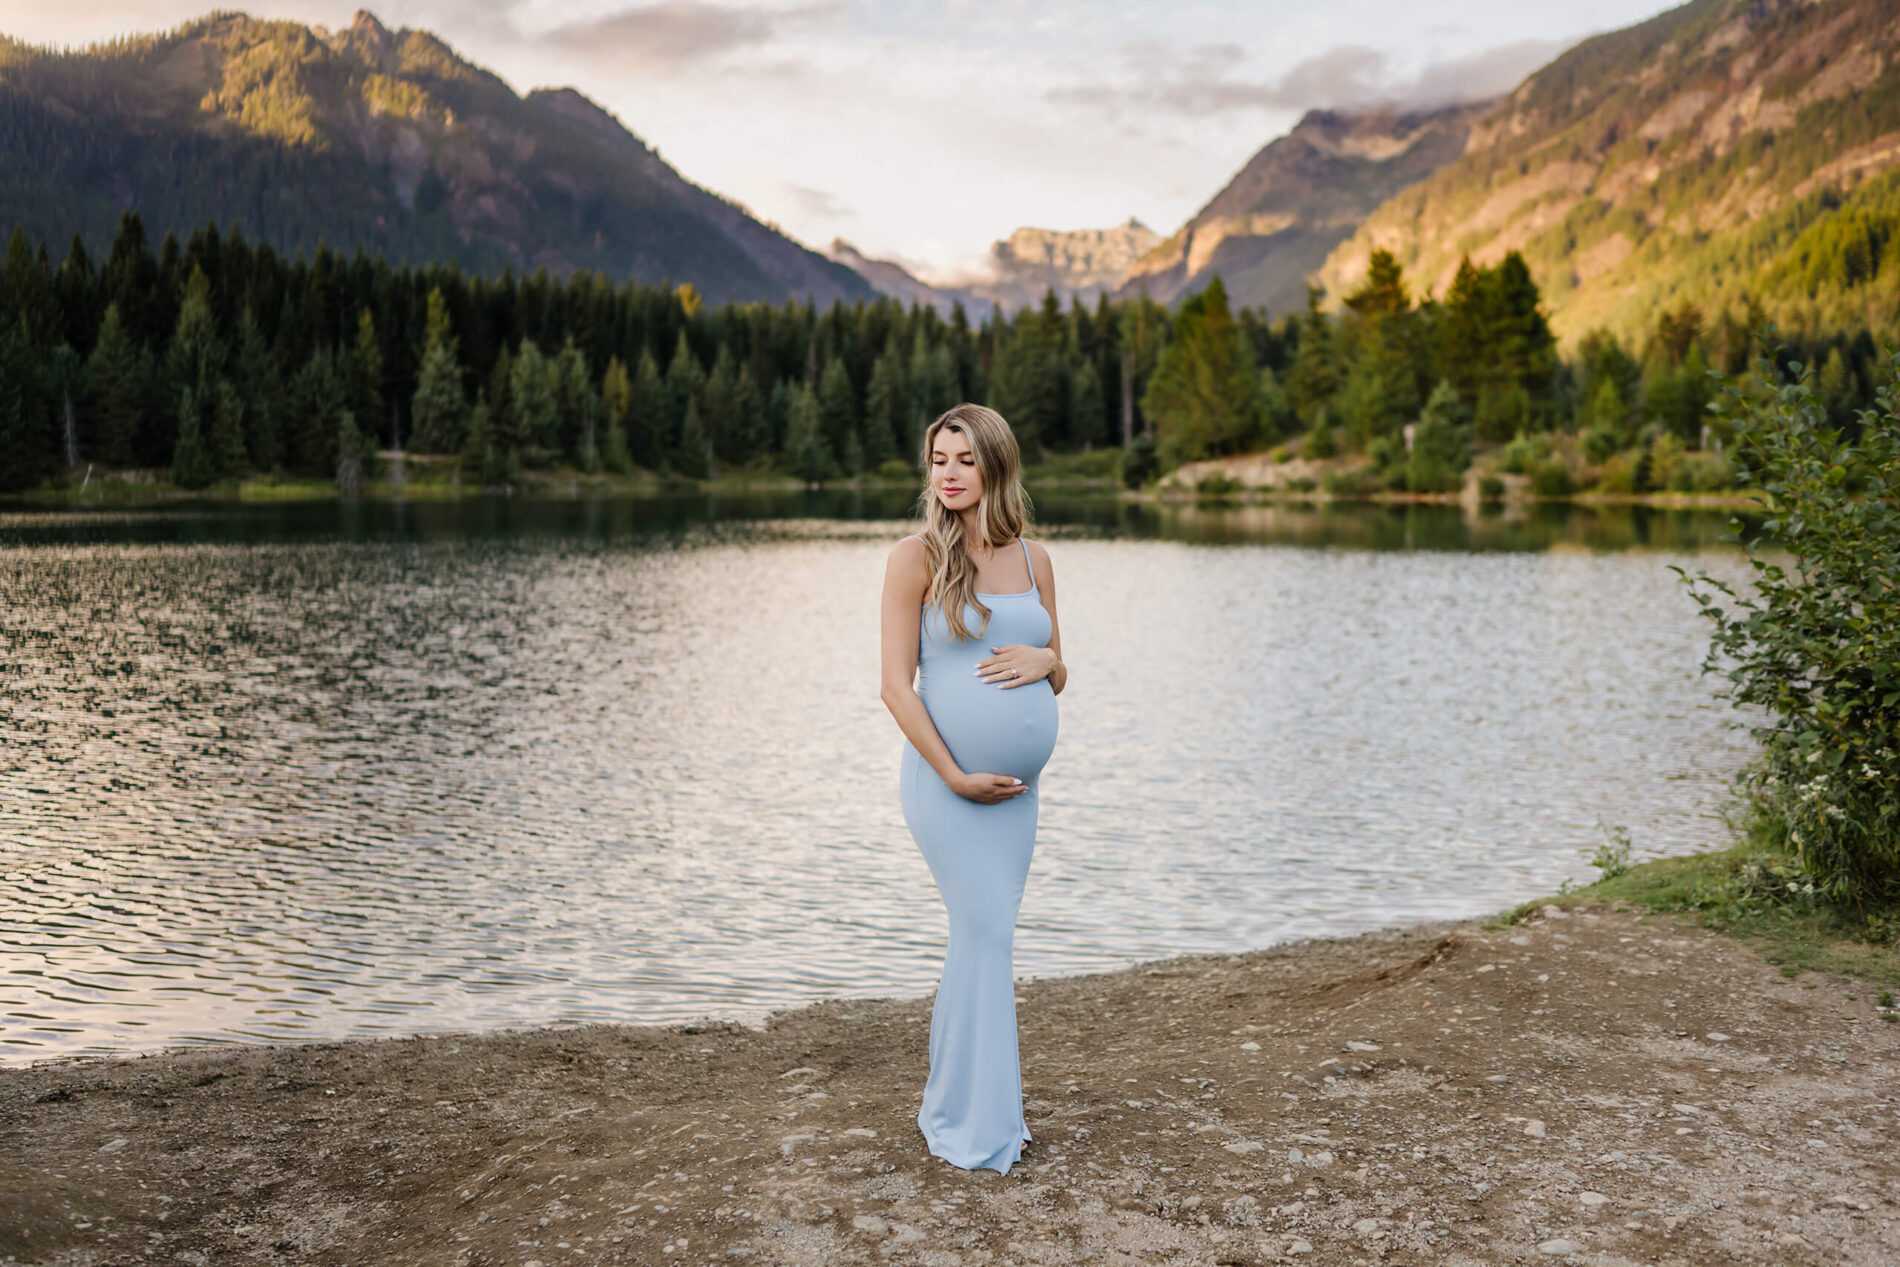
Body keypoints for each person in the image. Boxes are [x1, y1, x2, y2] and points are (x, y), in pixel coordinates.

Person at [878, 402, 1067, 1175]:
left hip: (1015, 795)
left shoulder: (1034, 558)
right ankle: (972, 1123)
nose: (948, 474)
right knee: (984, 929)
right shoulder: (915, 556)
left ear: (995, 464)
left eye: (963, 459)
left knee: (982, 938)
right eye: (937, 460)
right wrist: (954, 772)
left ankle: (962, 1108)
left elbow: (1063, 668)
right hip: (946, 785)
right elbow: (895, 687)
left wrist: (1046, 663)